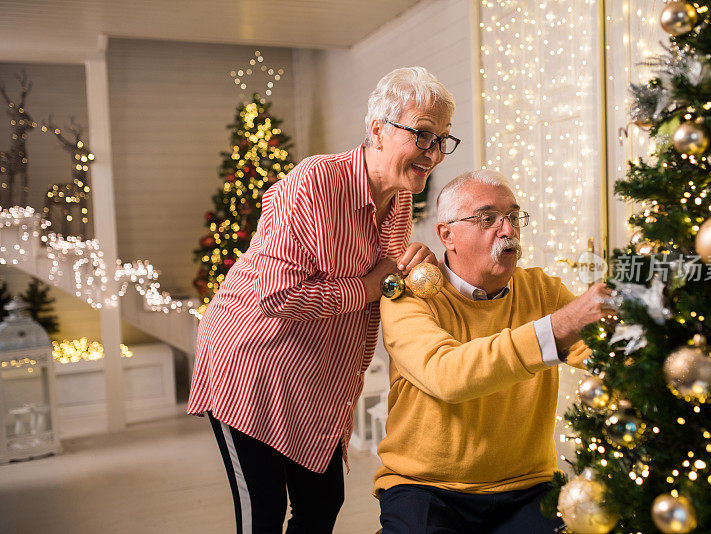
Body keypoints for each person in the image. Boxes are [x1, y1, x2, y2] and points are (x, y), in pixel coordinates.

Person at [187, 66, 460, 534]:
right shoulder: (312, 185)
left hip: (317, 378)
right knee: (264, 513)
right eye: (423, 134)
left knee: (322, 502)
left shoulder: (398, 202)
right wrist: (371, 286)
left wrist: (416, 271)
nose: (433, 153)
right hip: (251, 368)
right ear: (378, 129)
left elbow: (382, 284)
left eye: (443, 140)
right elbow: (277, 295)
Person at [375, 169, 614, 533]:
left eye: (513, 217)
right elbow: (447, 375)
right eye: (487, 219)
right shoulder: (409, 296)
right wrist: (556, 329)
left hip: (527, 486)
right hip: (425, 486)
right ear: (447, 234)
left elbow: (605, 354)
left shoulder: (542, 290)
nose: (508, 231)